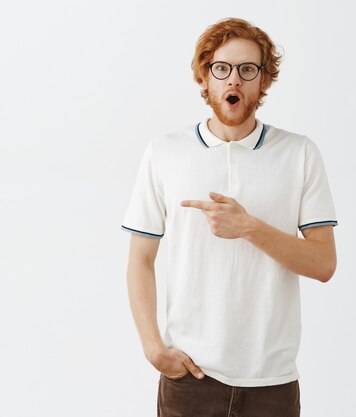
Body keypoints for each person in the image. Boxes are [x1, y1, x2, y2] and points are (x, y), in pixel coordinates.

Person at [121, 17, 338, 417]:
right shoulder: (165, 152)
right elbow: (140, 259)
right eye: (221, 69)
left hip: (272, 383)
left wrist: (249, 228)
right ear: (205, 78)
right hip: (189, 378)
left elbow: (324, 264)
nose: (233, 80)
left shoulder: (300, 154)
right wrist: (153, 348)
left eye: (247, 69)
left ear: (264, 81)